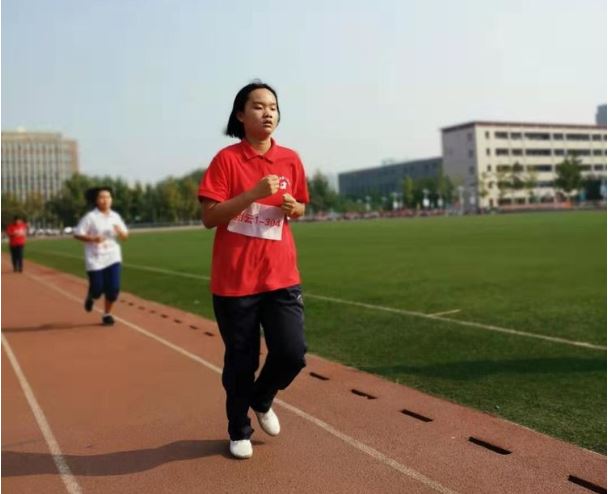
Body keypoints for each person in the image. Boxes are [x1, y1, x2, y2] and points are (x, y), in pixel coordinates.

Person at [198, 81, 309, 459]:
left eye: (273, 107)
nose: (268, 113)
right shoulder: (226, 160)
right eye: (259, 106)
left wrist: (294, 208)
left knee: (292, 352)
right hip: (236, 282)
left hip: (281, 276)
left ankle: (262, 398)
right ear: (240, 115)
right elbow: (210, 217)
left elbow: (301, 207)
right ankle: (238, 429)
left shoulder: (290, 159)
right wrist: (251, 195)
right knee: (241, 361)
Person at [73, 187, 128, 326]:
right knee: (97, 290)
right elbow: (77, 234)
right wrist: (93, 239)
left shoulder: (115, 216)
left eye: (108, 197)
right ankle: (92, 295)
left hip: (113, 256)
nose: (105, 200)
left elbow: (125, 236)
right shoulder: (91, 217)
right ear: (96, 200)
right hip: (95, 258)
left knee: (113, 289)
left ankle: (107, 314)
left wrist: (120, 232)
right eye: (102, 197)